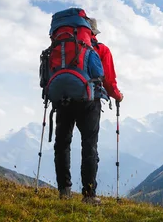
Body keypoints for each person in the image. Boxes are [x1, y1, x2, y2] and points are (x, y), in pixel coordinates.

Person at [54, 16, 123, 205]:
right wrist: (117, 96)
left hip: (63, 99)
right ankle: (89, 195)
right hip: (89, 102)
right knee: (89, 146)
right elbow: (108, 81)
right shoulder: (101, 49)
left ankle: (64, 191)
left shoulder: (61, 47)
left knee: (62, 144)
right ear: (93, 32)